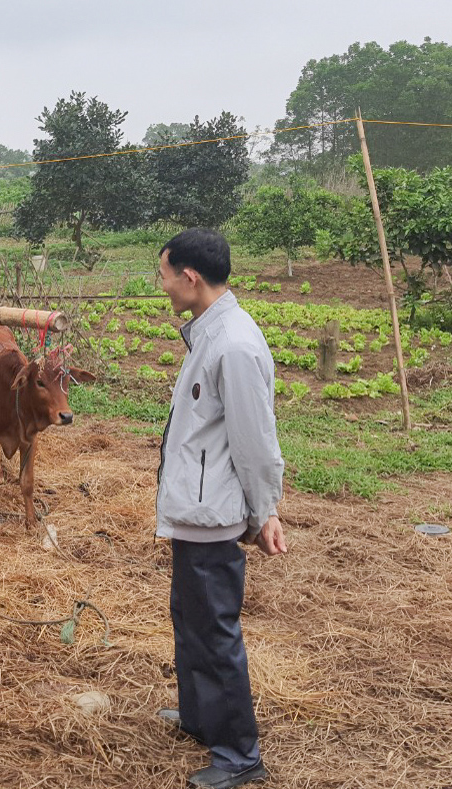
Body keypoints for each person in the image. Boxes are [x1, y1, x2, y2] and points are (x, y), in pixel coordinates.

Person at [154, 228, 287, 789]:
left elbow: (256, 440)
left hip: (214, 514)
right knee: (190, 618)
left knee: (215, 630)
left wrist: (266, 512)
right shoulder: (209, 332)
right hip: (196, 508)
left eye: (163, 274)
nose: (161, 285)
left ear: (190, 277)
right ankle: (201, 717)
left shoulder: (233, 343)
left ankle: (239, 753)